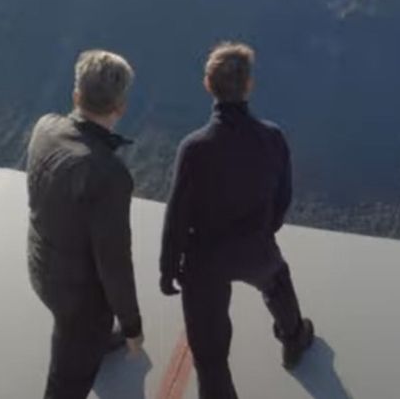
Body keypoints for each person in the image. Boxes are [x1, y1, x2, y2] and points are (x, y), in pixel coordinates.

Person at [160, 42, 315, 399]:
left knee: (211, 359)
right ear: (249, 86)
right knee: (276, 281)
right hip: (254, 248)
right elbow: (283, 198)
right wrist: (264, 231)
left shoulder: (194, 148)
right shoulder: (272, 138)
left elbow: (177, 215)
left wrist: (168, 268)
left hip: (204, 260)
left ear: (207, 85)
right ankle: (294, 340)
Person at [26, 50, 144, 399]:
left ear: (76, 96)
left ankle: (95, 341)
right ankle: (91, 343)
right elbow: (114, 262)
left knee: (76, 334)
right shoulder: (108, 174)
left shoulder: (44, 127)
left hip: (40, 267)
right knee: (66, 385)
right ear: (120, 107)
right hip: (79, 300)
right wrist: (133, 326)